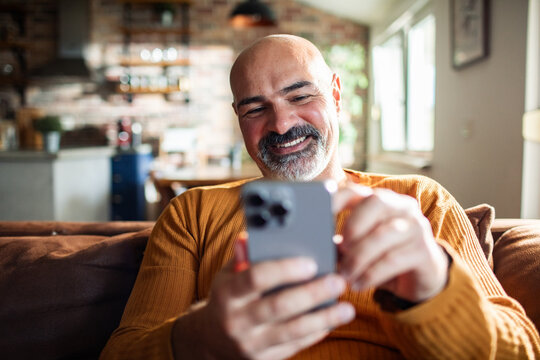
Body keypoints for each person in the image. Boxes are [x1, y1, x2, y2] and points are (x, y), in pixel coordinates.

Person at [101, 35, 540, 359]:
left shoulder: (418, 201)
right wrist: (201, 339)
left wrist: (433, 287)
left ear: (334, 94)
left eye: (299, 95)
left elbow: (521, 352)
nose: (281, 123)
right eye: (255, 108)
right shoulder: (192, 212)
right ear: (238, 119)